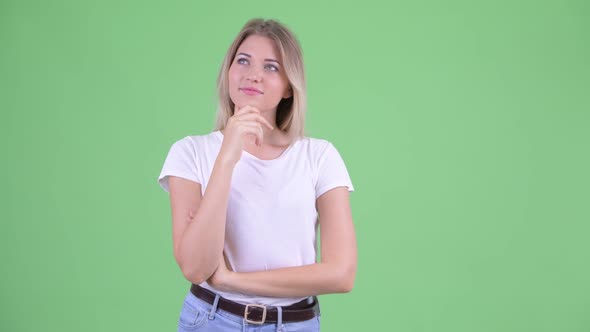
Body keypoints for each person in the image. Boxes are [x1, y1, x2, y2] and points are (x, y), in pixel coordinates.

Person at [157, 18, 357, 332]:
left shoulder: (319, 156)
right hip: (211, 321)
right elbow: (195, 267)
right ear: (228, 72)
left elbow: (341, 274)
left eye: (271, 67)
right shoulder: (190, 152)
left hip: (295, 325)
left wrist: (230, 280)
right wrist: (226, 160)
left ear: (289, 86)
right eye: (243, 61)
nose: (253, 75)